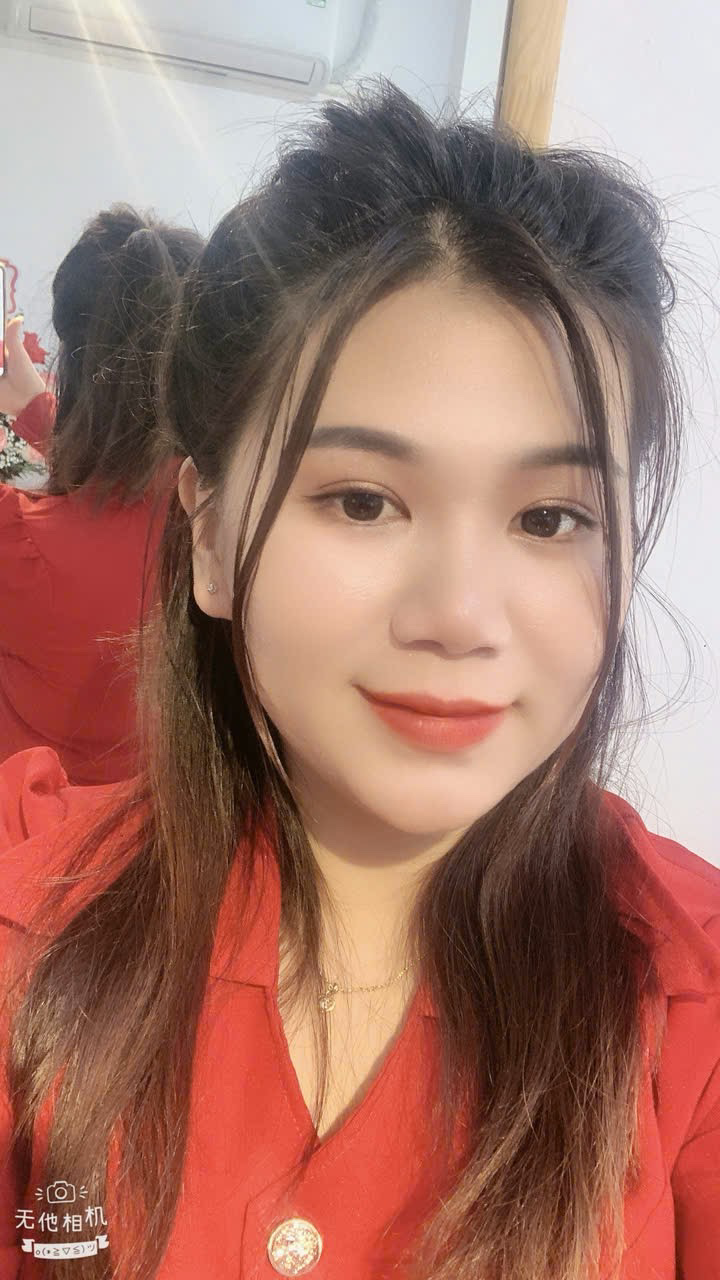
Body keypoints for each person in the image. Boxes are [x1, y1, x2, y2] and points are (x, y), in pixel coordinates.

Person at [1, 77, 719, 1280]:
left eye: (549, 517)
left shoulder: (687, 1001)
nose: (459, 616)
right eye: (364, 500)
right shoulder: (33, 929)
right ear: (211, 534)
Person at [0, 207, 203, 784]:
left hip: (32, 821)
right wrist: (35, 409)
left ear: (74, 361)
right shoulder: (225, 514)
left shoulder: (20, 548)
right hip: (154, 814)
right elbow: (136, 472)